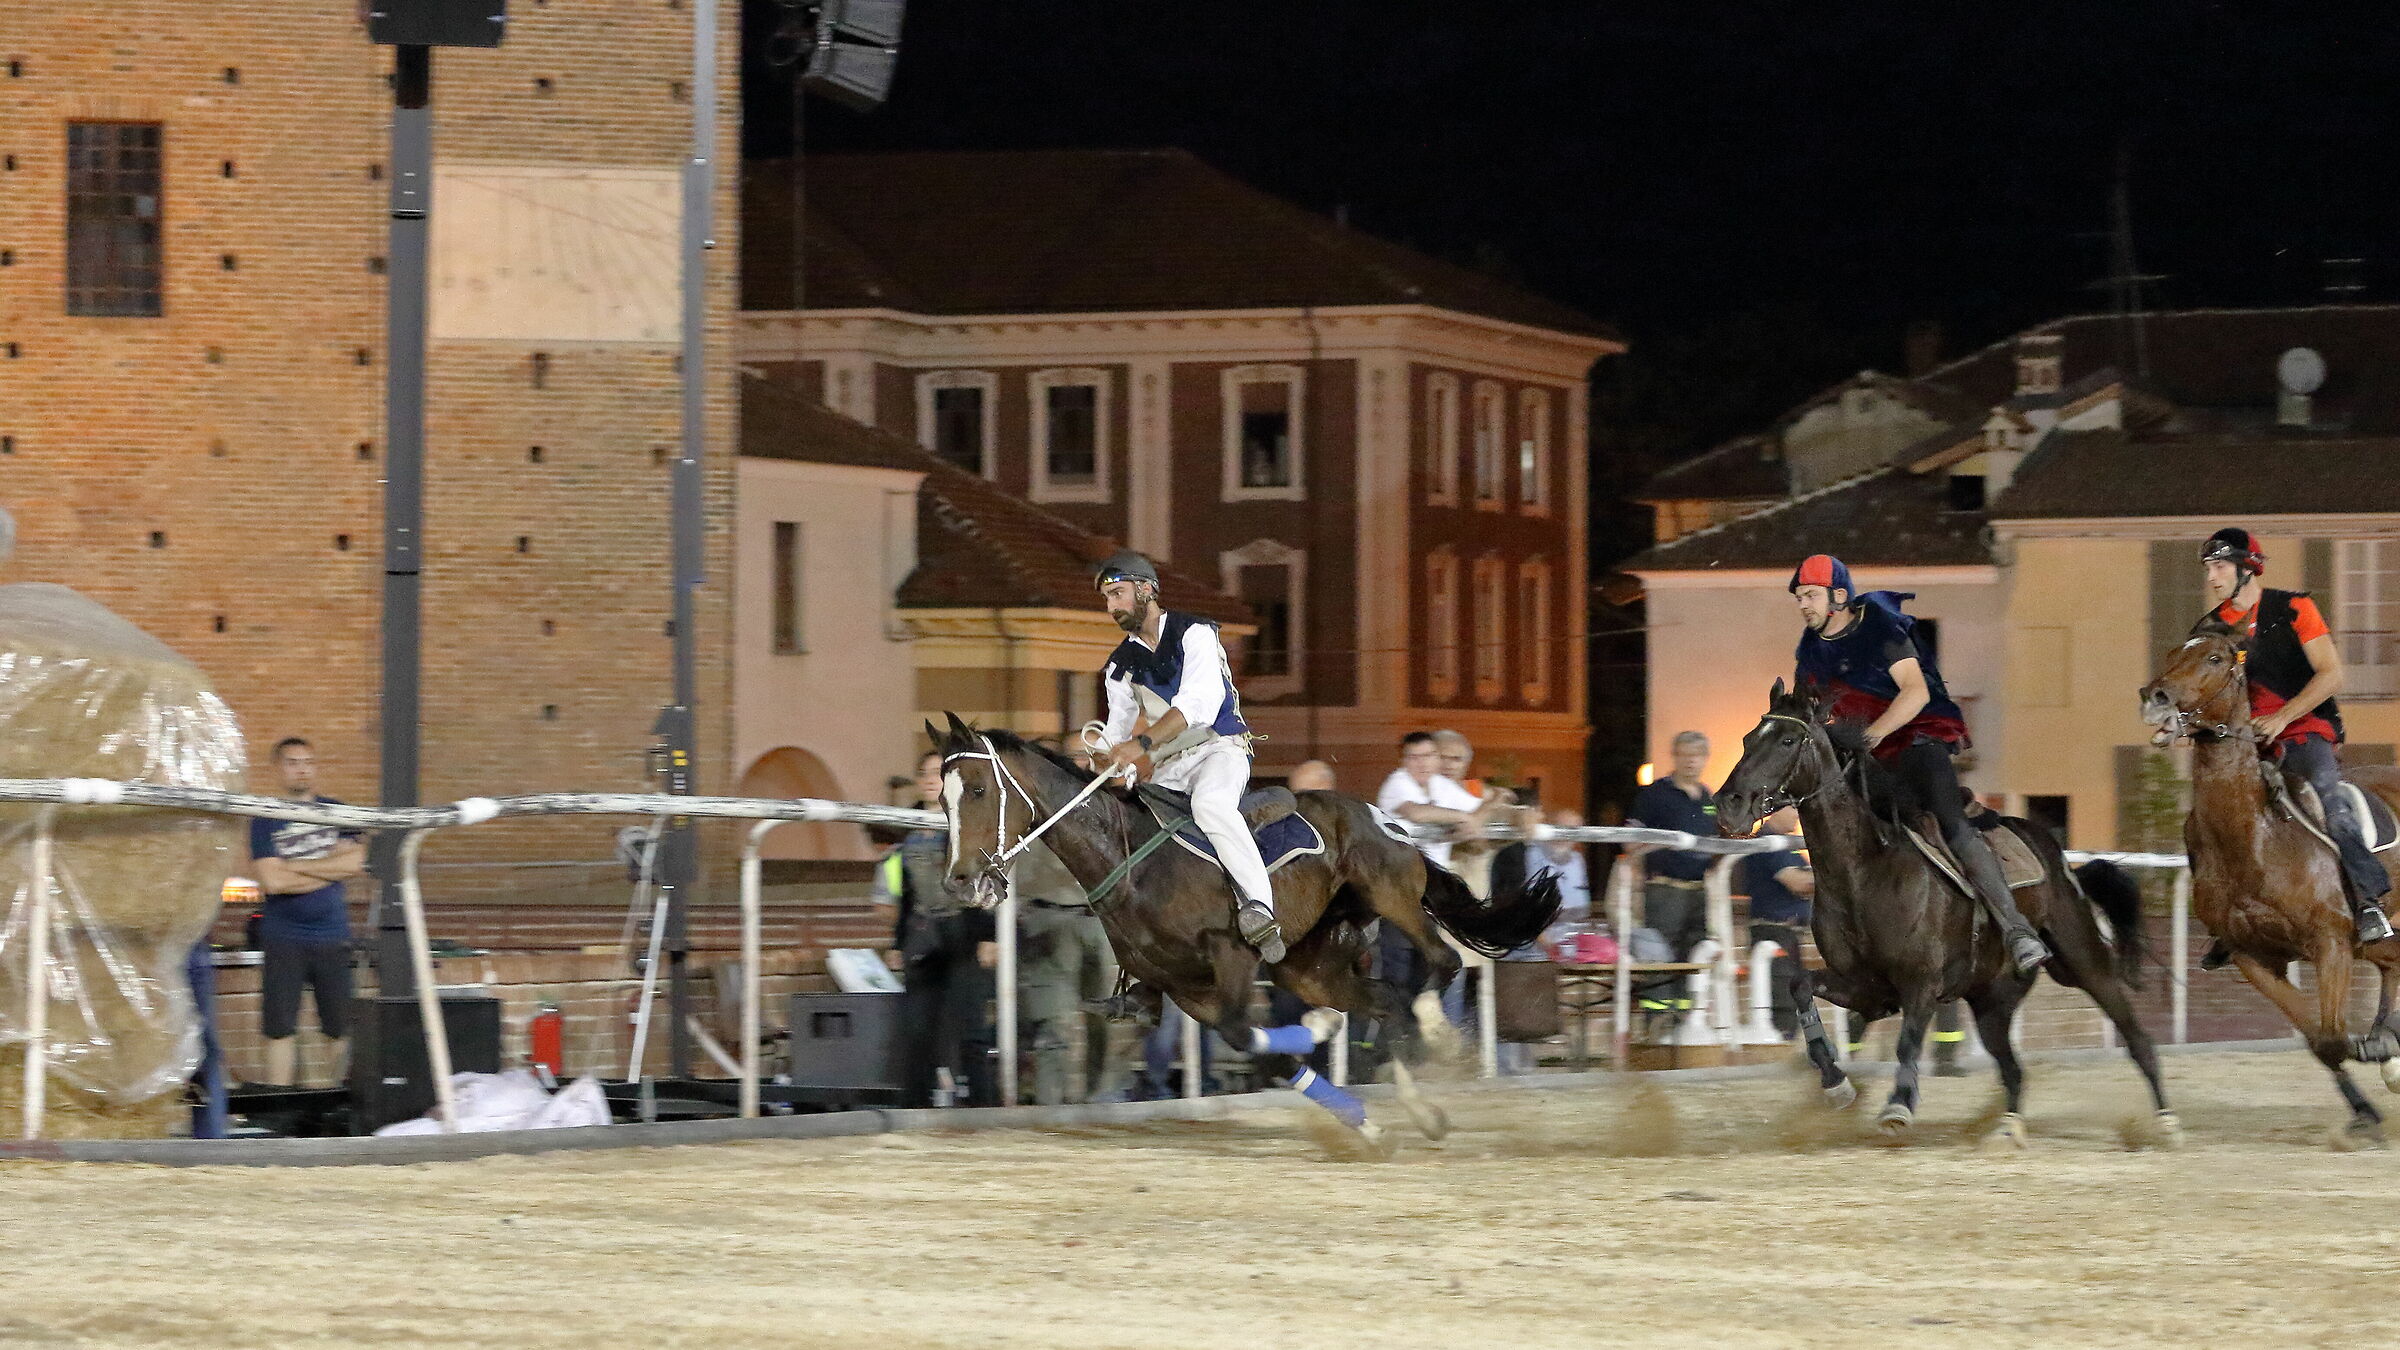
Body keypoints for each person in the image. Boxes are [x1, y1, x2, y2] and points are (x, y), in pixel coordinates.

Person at [1789, 553, 2048, 975]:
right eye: (1799, 598)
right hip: (1866, 760)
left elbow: (1914, 693)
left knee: (1950, 822)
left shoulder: (1882, 630)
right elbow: (1810, 709)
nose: (1804, 605)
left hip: (1916, 742)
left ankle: (2016, 929)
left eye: (1811, 596)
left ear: (1838, 596)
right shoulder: (1810, 648)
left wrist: (1871, 735)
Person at [2197, 528, 2395, 945]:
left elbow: (2333, 674)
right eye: (2209, 569)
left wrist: (2282, 718)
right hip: (2246, 748)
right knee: (2205, 823)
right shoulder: (2212, 628)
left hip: (2306, 734)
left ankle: (2368, 902)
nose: (2212, 578)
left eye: (2219, 567)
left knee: (2332, 806)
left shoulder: (2294, 608)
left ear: (2247, 569)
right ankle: (2227, 921)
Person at [1095, 551, 1287, 962]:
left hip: (1220, 748)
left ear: (1146, 590)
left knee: (1210, 804)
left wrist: (1141, 746)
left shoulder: (1195, 632)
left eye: (1118, 594)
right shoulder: (1117, 667)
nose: (1112, 606)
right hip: (1170, 768)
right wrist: (1104, 760)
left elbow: (1198, 705)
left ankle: (1260, 909)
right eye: (1108, 598)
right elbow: (1114, 732)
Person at [247, 737, 365, 1087]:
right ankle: (280, 1110)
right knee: (280, 1027)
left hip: (332, 935)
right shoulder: (265, 818)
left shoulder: (335, 810)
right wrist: (328, 866)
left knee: (339, 1026)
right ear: (278, 768)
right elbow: (272, 881)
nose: (302, 768)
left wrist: (294, 867)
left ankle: (339, 1105)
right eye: (293, 761)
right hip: (284, 937)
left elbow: (355, 862)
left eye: (308, 762)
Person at [889, 749, 997, 1106]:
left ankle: (984, 1109)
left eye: (938, 773)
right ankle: (914, 1106)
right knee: (918, 1029)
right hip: (923, 935)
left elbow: (983, 879)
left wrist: (987, 934)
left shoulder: (965, 823)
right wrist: (898, 940)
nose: (929, 779)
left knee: (970, 1029)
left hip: (962, 932)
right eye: (925, 772)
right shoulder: (909, 827)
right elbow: (906, 891)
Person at [1014, 841, 1117, 1105]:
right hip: (1046, 914)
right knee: (1052, 1024)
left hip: (1098, 915)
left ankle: (1095, 1097)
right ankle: (1048, 1110)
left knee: (1104, 1016)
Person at [1626, 731, 1716, 961]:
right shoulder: (1654, 794)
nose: (1690, 760)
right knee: (1659, 956)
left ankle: (1689, 998)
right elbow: (1630, 839)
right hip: (1664, 891)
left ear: (1706, 758)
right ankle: (1659, 998)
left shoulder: (1709, 798)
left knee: (1695, 956)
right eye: (1684, 754)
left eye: (1696, 755)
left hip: (1699, 892)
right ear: (1674, 757)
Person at [1738, 806, 1814, 1037]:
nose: (1798, 816)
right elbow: (1799, 882)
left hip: (1789, 935)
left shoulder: (1787, 845)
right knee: (1783, 999)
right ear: (1774, 811)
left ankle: (1785, 1044)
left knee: (1795, 998)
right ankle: (1778, 1046)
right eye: (1793, 810)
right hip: (1772, 933)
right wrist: (1833, 875)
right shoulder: (1767, 842)